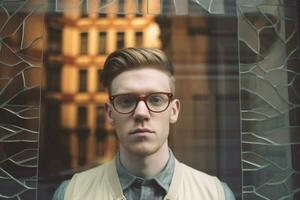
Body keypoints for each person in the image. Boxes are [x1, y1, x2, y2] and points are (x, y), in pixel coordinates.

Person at [53, 48, 235, 200]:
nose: (141, 113)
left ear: (174, 111)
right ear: (110, 113)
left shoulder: (216, 194)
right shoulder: (70, 194)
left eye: (156, 100)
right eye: (126, 101)